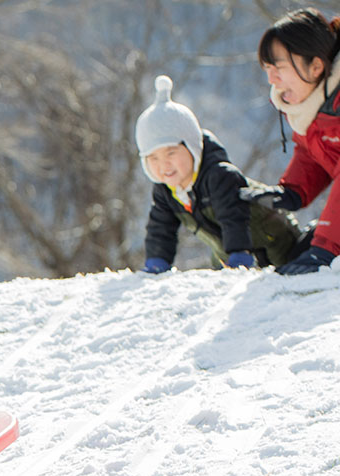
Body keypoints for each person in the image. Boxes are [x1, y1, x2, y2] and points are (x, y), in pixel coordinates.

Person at [136, 75, 310, 273]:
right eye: (153, 158)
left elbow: (232, 217)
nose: (164, 164)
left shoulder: (218, 175)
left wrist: (239, 252)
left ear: (193, 147)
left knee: (293, 269)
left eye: (171, 152)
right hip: (229, 251)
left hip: (275, 241)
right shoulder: (166, 190)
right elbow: (161, 228)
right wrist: (157, 260)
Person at [241, 8, 340, 275]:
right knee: (292, 259)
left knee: (318, 261)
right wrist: (292, 191)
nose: (271, 79)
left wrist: (326, 247)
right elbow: (314, 151)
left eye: (280, 68)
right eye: (268, 68)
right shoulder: (315, 103)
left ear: (316, 66)